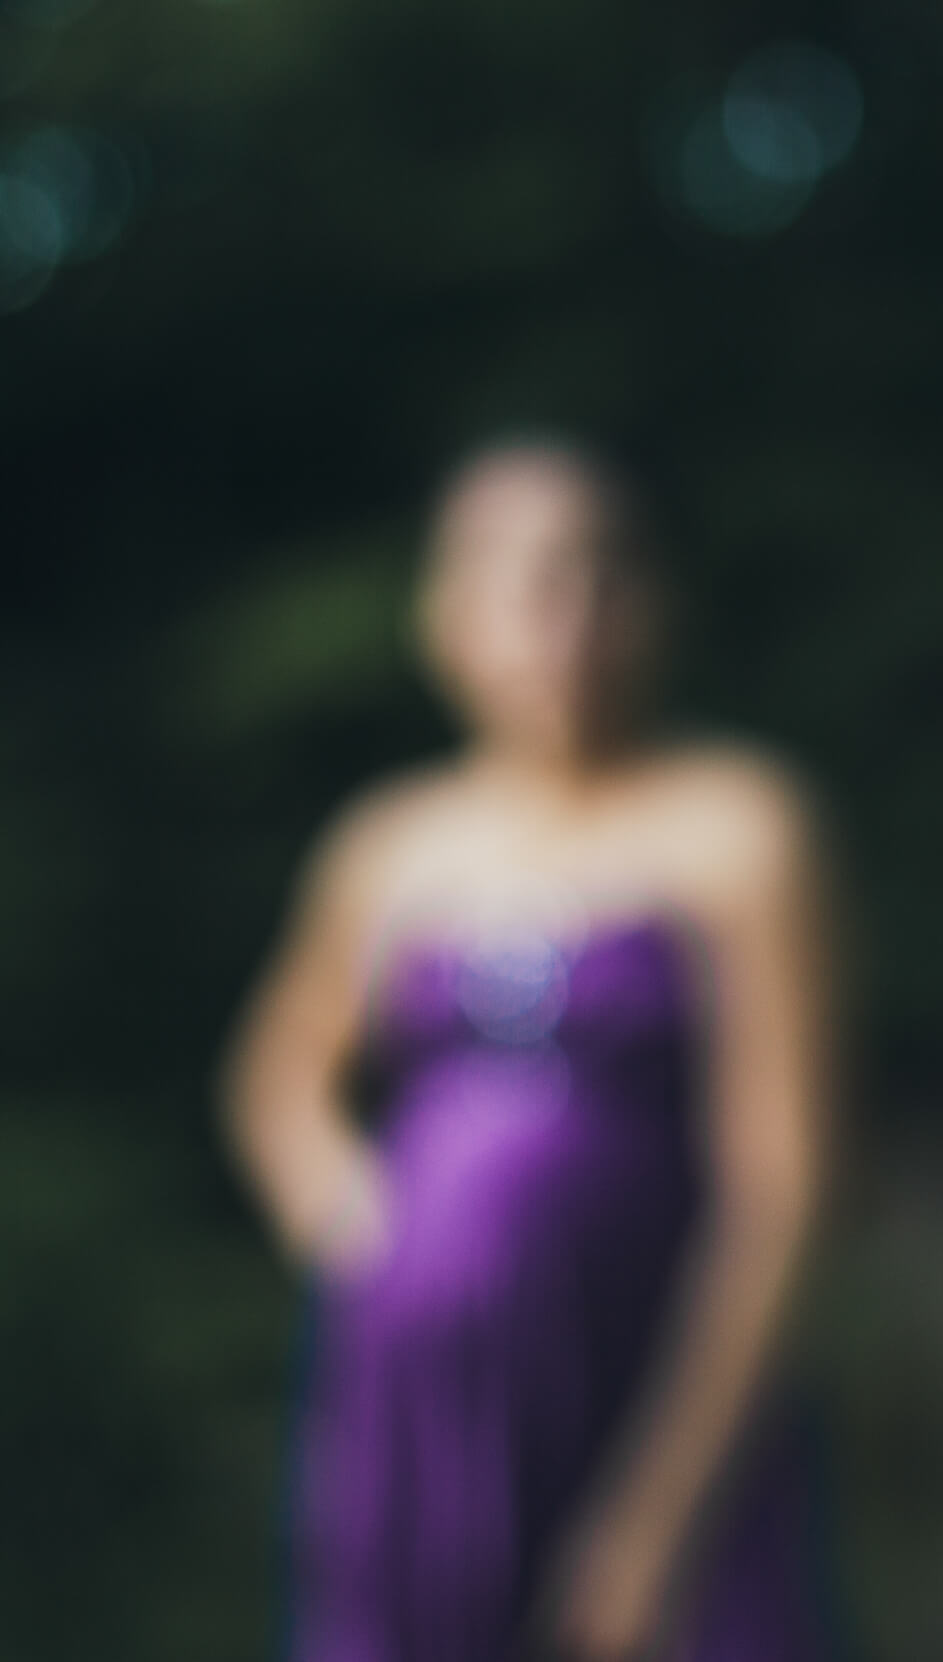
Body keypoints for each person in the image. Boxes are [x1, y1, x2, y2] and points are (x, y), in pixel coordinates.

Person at [223, 438, 840, 1661]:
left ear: (653, 605)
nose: (565, 621)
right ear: (445, 619)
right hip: (421, 1423)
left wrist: (660, 1512)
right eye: (524, 584)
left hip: (652, 1387)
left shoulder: (736, 828)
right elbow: (277, 1078)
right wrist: (367, 1242)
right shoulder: (392, 848)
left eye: (600, 577)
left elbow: (781, 1186)